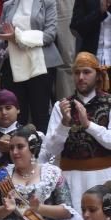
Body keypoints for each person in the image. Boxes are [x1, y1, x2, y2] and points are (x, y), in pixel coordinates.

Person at [40, 52, 111, 208]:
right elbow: (50, 150)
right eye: (77, 72)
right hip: (71, 179)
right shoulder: (62, 107)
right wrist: (64, 124)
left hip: (104, 176)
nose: (81, 77)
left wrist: (88, 125)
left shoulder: (108, 103)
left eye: (86, 72)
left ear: (98, 75)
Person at [0, 0, 62, 132]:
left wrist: (18, 37)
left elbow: (49, 35)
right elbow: (1, 37)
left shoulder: (47, 3)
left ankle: (43, 151)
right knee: (16, 117)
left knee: (40, 114)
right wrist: (5, 41)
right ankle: (17, 150)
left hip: (41, 64)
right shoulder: (8, 5)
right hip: (13, 65)